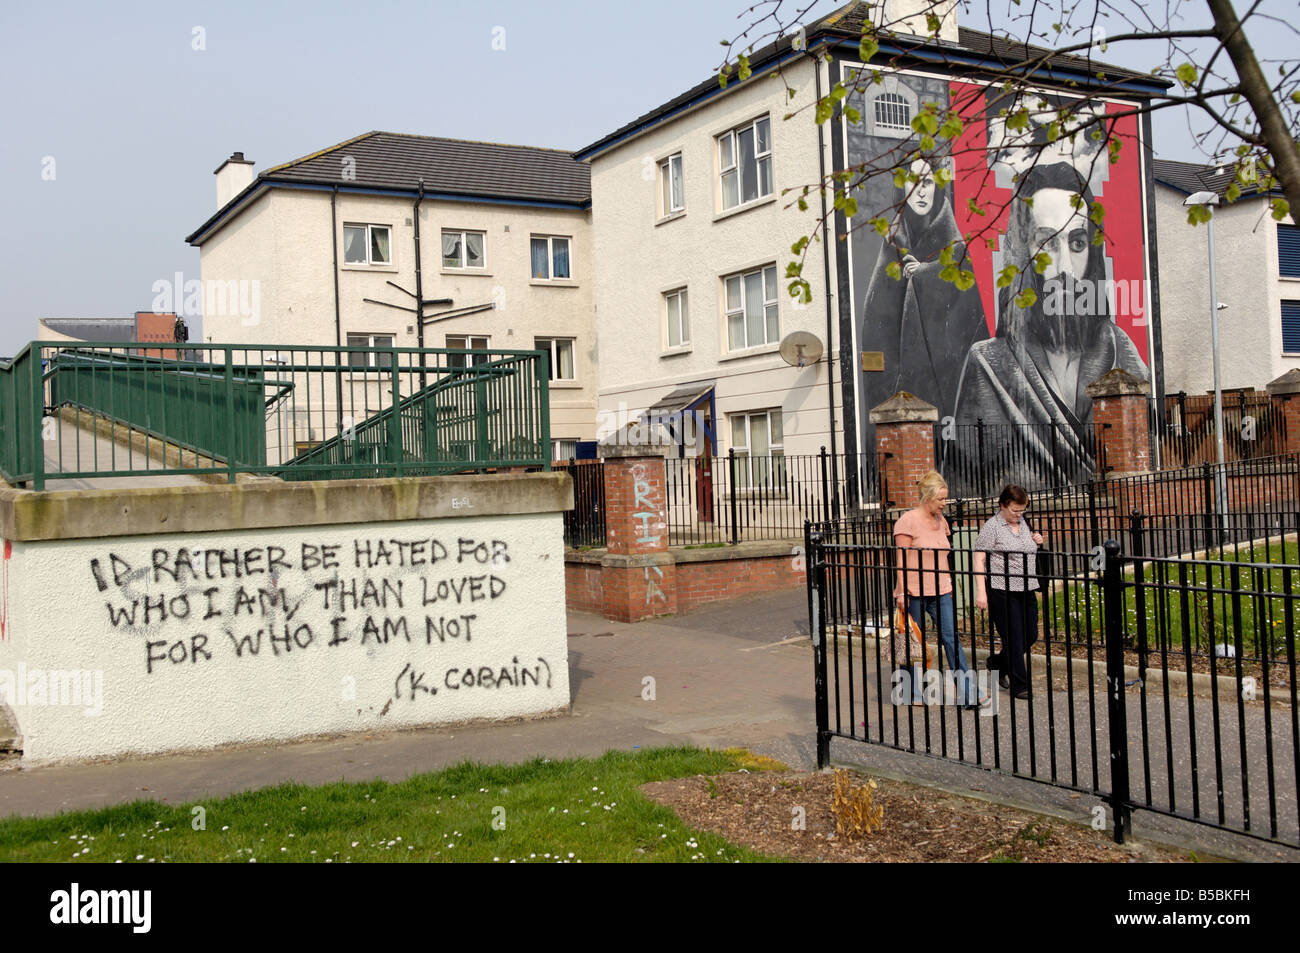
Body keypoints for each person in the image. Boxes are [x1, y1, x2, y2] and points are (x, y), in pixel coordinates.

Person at [952, 162, 1148, 486]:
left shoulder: (1121, 352)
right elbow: (965, 490)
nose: (1065, 269)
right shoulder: (989, 365)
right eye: (1046, 243)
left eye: (1077, 243)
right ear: (1022, 251)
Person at [859, 155, 988, 426]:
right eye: (913, 181)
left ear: (937, 188)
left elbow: (970, 322)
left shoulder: (955, 247)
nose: (920, 190)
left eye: (927, 182)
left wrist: (926, 276)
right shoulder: (893, 243)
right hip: (897, 390)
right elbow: (876, 322)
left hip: (942, 387)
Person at [892, 470, 980, 708]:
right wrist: (901, 593)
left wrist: (949, 585)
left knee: (952, 640)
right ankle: (910, 692)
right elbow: (901, 560)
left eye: (945, 498)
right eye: (940, 499)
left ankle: (969, 693)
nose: (944, 503)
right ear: (927, 497)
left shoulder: (942, 521)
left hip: (940, 591)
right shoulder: (907, 521)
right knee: (911, 643)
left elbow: (944, 557)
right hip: (913, 593)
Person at [973, 484, 1045, 701]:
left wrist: (1036, 541)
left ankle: (997, 663)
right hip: (1002, 588)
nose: (1019, 514)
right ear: (1002, 505)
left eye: (1023, 510)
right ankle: (1020, 685)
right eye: (1015, 510)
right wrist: (981, 592)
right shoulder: (992, 527)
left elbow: (1026, 546)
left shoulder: (1023, 522)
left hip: (1027, 586)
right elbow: (979, 558)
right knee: (1013, 638)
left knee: (1030, 634)